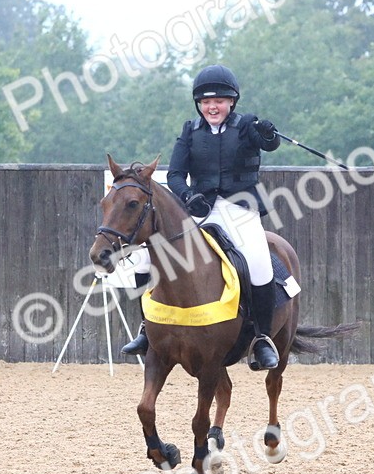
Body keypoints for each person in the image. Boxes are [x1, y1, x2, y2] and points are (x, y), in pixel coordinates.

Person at [120, 64, 282, 370]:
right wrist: (186, 196)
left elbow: (268, 144)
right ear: (199, 104)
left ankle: (262, 339)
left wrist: (268, 134)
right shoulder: (190, 131)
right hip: (200, 209)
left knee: (259, 263)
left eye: (219, 100)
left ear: (231, 101)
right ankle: (146, 328)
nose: (212, 106)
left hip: (240, 208)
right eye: (206, 102)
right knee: (144, 260)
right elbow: (177, 173)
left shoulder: (246, 125)